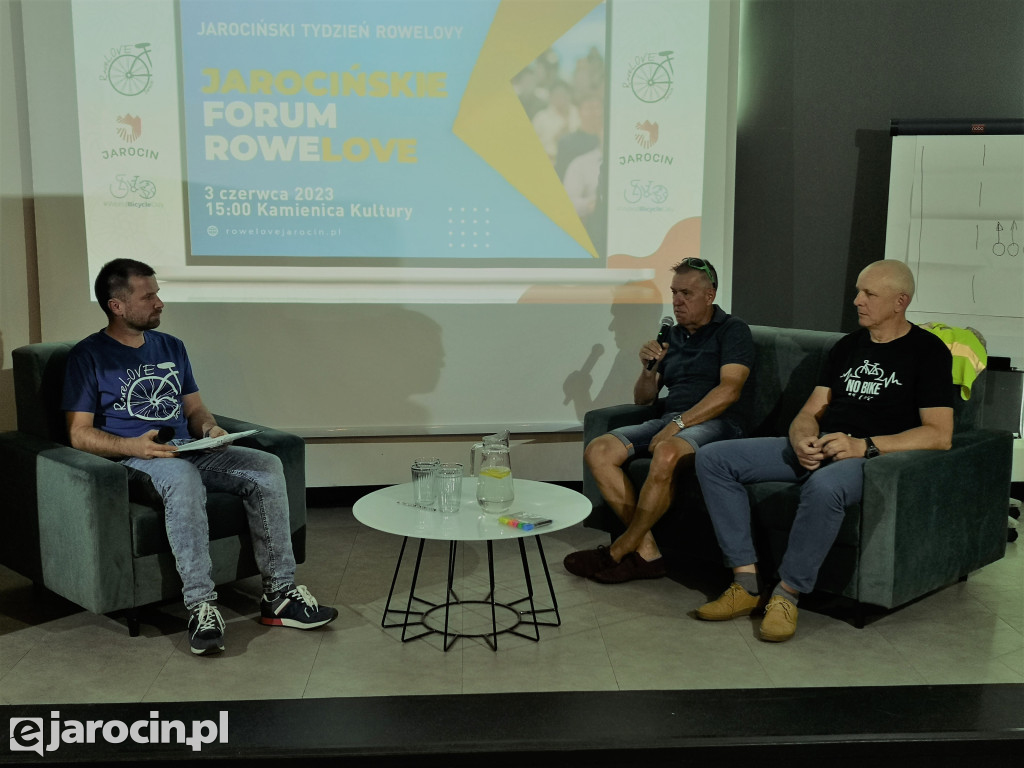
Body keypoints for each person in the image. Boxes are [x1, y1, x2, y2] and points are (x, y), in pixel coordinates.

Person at [61, 258, 338, 656]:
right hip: (134, 460)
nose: (160, 303)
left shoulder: (171, 346)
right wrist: (133, 446)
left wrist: (210, 430)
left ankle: (279, 595)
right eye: (149, 296)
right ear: (117, 306)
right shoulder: (88, 356)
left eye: (158, 294)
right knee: (182, 477)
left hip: (185, 449)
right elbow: (79, 434)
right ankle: (201, 606)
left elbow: (194, 409)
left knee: (266, 466)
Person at [694, 260, 954, 642]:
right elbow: (809, 412)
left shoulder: (928, 352)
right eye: (858, 291)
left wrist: (863, 446)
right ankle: (746, 584)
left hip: (873, 458)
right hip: (824, 443)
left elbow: (939, 434)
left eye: (869, 294)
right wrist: (802, 438)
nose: (857, 300)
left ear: (900, 302)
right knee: (713, 458)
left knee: (825, 486)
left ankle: (786, 594)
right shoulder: (847, 347)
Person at [564, 258, 755, 583]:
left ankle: (619, 549)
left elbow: (729, 391)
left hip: (720, 423)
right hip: (671, 419)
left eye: (686, 294)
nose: (677, 301)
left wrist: (677, 425)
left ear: (709, 295)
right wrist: (647, 370)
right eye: (674, 293)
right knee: (599, 450)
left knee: (666, 451)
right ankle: (647, 551)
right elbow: (643, 399)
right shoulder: (672, 336)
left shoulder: (732, 330)